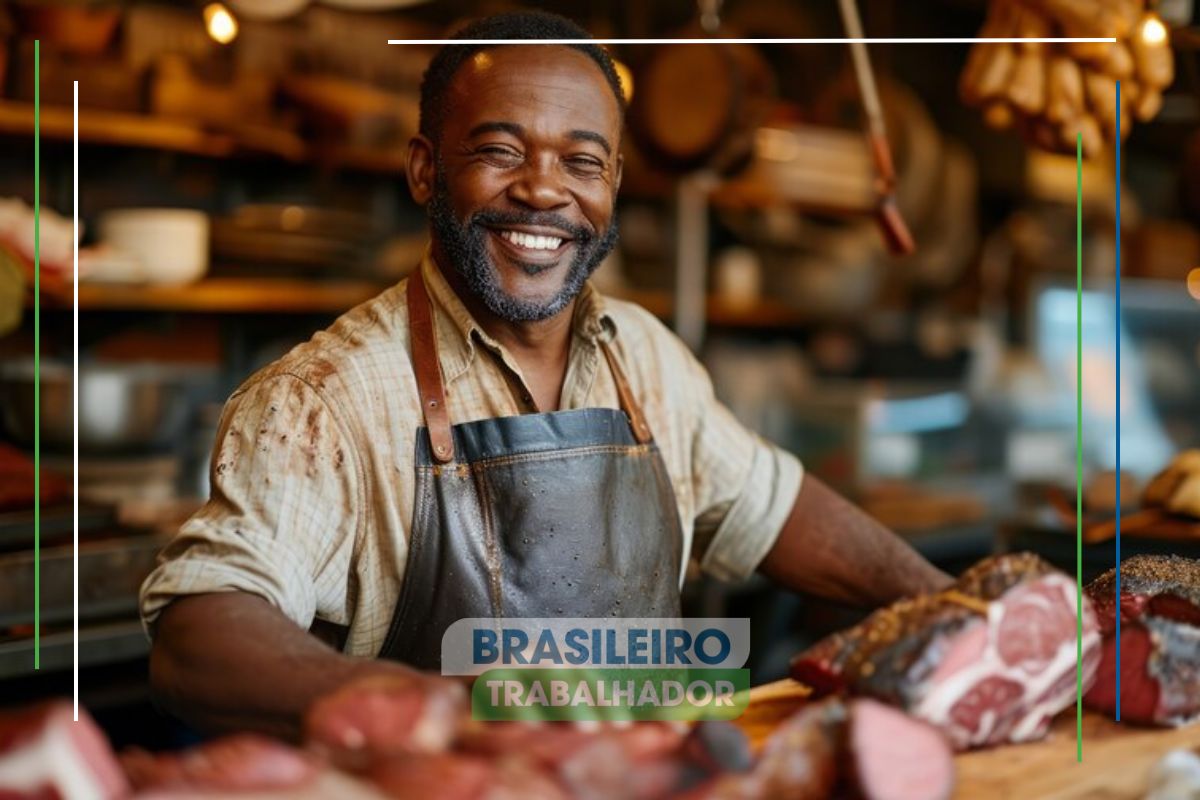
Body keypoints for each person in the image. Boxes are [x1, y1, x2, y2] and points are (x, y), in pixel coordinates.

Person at [140, 10, 952, 740]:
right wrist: (415, 709)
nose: (542, 189)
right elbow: (201, 624)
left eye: (582, 161)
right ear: (426, 171)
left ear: (613, 185)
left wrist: (954, 607)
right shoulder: (325, 397)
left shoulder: (643, 354)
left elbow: (771, 508)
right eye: (499, 151)